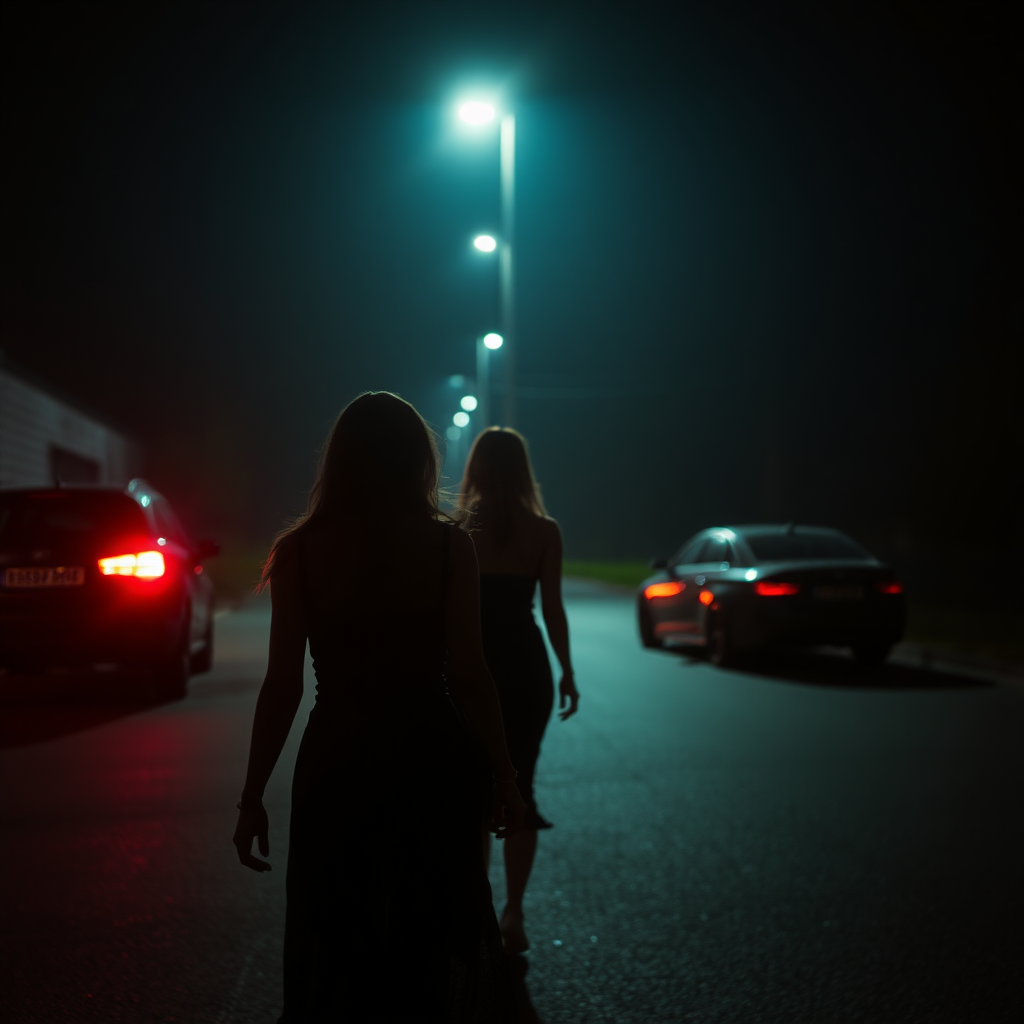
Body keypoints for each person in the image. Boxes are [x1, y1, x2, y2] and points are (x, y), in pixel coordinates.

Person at [232, 392, 525, 1023]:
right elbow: (472, 675)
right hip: (431, 753)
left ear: (338, 462)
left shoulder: (300, 553)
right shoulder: (450, 548)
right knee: (432, 923)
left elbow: (282, 685)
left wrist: (252, 793)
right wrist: (503, 773)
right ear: (418, 460)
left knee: (341, 926)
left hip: (339, 756)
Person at [459, 427, 579, 956]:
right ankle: (514, 914)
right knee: (519, 785)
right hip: (527, 669)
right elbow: (551, 609)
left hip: (470, 666)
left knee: (470, 790)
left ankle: (480, 908)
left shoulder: (457, 528)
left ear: (477, 468)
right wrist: (567, 671)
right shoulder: (545, 531)